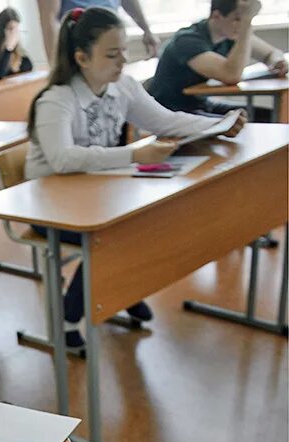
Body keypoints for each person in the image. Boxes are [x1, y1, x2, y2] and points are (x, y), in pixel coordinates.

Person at [26, 7, 245, 348]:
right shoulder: (57, 99)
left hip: (95, 192)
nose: (122, 61)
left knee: (145, 219)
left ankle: (120, 290)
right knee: (112, 234)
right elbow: (62, 159)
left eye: (124, 51)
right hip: (50, 205)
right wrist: (134, 155)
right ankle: (68, 315)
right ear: (82, 57)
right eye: (112, 54)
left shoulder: (122, 87)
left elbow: (167, 121)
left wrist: (220, 124)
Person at [149, 0, 288, 118]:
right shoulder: (187, 40)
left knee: (268, 116)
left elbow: (271, 53)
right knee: (236, 123)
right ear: (216, 16)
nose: (240, 25)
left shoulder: (229, 35)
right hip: (172, 111)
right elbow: (231, 75)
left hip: (201, 104)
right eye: (237, 19)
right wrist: (246, 23)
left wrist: (277, 61)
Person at [37, 0, 159, 65]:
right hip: (82, 46)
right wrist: (56, 68)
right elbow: (49, 19)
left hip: (114, 40)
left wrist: (146, 30)